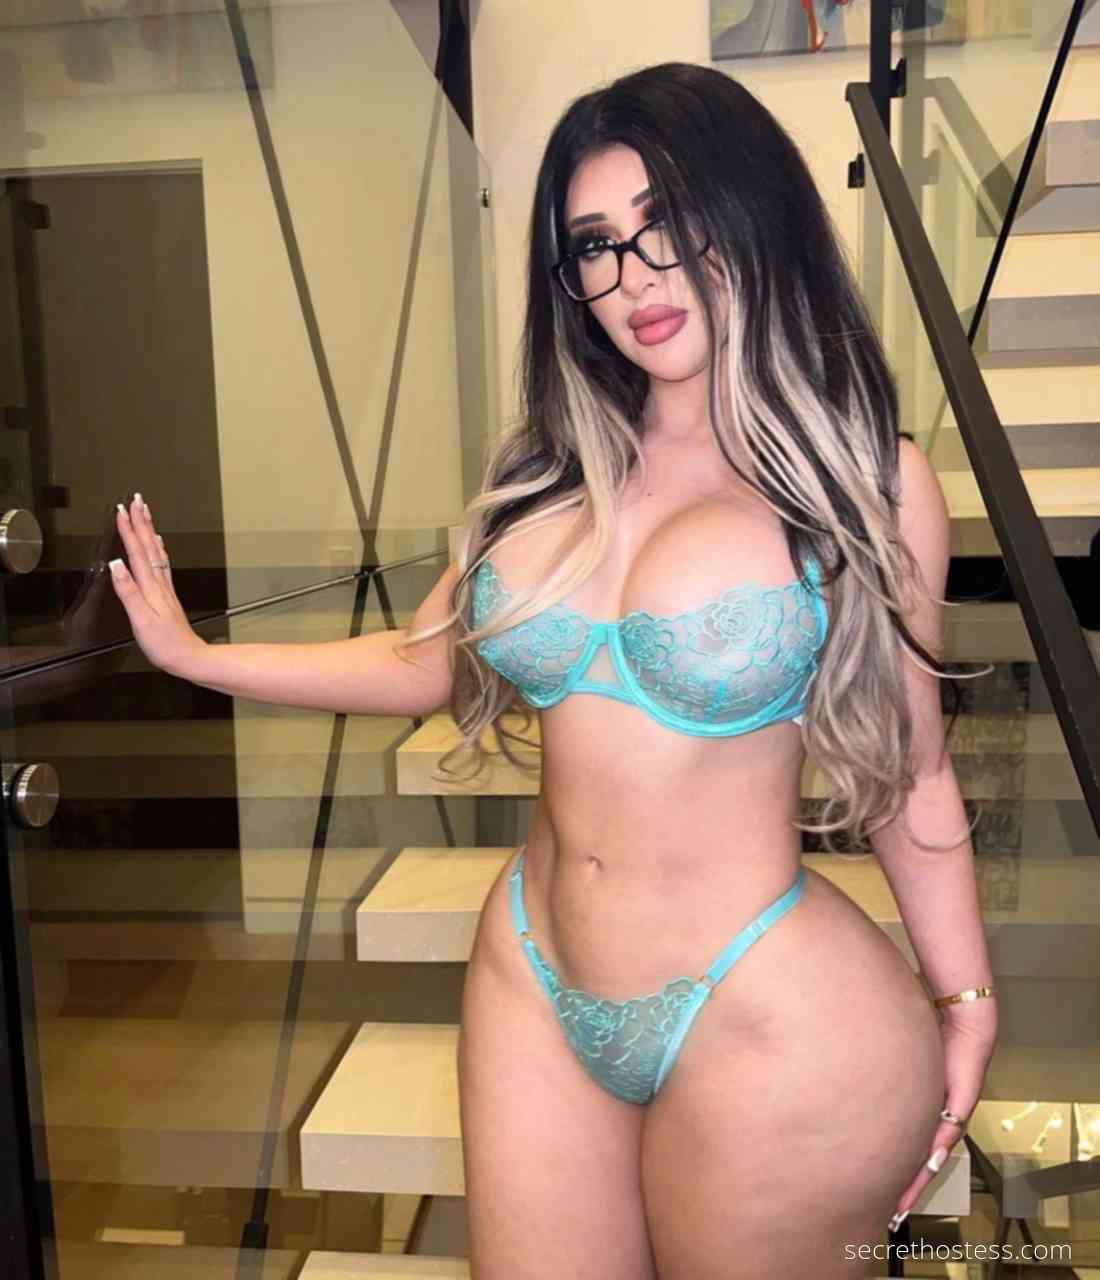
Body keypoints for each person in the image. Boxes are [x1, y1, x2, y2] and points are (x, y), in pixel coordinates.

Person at [108, 61, 997, 1280]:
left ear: (751, 212)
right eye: (593, 246)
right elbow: (422, 663)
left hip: (761, 1002)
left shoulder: (863, 479)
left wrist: (964, 997)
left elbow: (909, 768)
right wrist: (196, 655)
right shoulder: (545, 468)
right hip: (532, 971)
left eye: (665, 224)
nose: (633, 276)